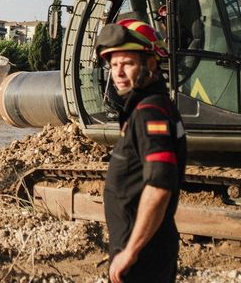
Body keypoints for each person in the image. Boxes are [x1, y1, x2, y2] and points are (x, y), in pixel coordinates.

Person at [96, 18, 186, 283]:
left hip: (142, 255)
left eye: (128, 63)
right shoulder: (153, 106)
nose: (118, 73)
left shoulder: (148, 113)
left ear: (150, 63)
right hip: (150, 245)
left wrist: (131, 252)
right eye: (113, 64)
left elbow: (159, 185)